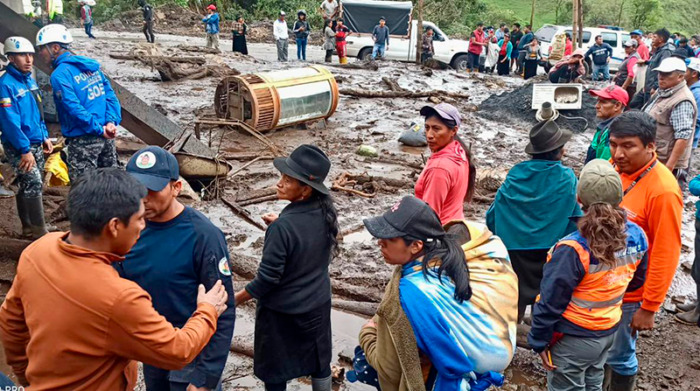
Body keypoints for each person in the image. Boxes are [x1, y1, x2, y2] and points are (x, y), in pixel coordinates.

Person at [0, 168, 229, 389]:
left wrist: (27, 376)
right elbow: (178, 351)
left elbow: (10, 323)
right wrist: (207, 310)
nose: (143, 225)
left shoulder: (39, 250)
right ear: (114, 226)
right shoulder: (119, 297)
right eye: (139, 219)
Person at [358, 195, 518, 391]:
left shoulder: (409, 295)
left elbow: (389, 369)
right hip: (482, 375)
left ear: (416, 245)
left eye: (389, 238)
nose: (379, 243)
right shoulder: (472, 255)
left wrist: (367, 333)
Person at [118, 147, 235, 391]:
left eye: (152, 190)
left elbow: (223, 309)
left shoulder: (204, 235)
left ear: (176, 188)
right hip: (153, 347)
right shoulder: (127, 229)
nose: (143, 198)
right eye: (136, 190)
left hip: (193, 352)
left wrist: (204, 378)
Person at [528, 159, 648, 391]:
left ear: (579, 199)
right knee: (593, 381)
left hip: (575, 336)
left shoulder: (573, 248)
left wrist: (539, 341)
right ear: (619, 197)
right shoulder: (638, 235)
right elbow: (637, 282)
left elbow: (550, 301)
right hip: (609, 330)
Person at [234, 145, 338, 391]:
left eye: (287, 180)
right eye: (281, 177)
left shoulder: (282, 228)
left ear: (305, 190)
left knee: (276, 371)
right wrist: (281, 224)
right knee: (319, 360)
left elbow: (268, 279)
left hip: (282, 315)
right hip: (317, 307)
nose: (279, 183)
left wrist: (235, 298)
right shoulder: (325, 215)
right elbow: (306, 241)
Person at [604, 111, 683, 391]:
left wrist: (649, 307)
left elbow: (667, 251)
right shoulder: (617, 171)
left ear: (650, 146)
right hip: (606, 284)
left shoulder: (662, 191)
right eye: (614, 145)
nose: (618, 153)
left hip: (631, 294)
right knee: (603, 346)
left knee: (621, 354)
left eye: (628, 146)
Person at [486, 119, 581, 321]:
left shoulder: (516, 174)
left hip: (515, 251)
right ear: (560, 151)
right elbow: (575, 217)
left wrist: (504, 236)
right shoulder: (567, 177)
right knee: (546, 294)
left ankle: (513, 328)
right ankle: (540, 331)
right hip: (550, 251)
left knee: (515, 293)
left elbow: (493, 214)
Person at [35, 24, 121, 183]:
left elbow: (73, 107)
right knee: (110, 184)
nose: (39, 53)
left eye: (41, 48)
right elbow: (110, 96)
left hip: (84, 139)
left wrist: (97, 128)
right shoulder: (90, 66)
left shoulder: (59, 75)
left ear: (54, 48)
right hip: (106, 137)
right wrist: (110, 122)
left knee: (84, 189)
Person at [0, 37, 53, 238]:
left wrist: (45, 136)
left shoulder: (29, 79)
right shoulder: (5, 85)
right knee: (33, 182)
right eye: (23, 55)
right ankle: (40, 231)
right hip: (19, 145)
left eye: (30, 55)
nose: (29, 59)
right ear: (12, 58)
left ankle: (29, 227)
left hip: (36, 141)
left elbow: (37, 111)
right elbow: (9, 122)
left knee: (29, 183)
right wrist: (24, 150)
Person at [414, 103, 475, 224]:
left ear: (453, 131)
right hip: (456, 227)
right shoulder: (459, 151)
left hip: (440, 233)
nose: (429, 135)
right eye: (427, 128)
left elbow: (429, 218)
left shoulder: (439, 168)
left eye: (436, 129)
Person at [642, 57, 697, 188]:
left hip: (664, 161)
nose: (661, 77)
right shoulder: (663, 92)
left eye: (667, 74)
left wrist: (669, 167)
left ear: (680, 76)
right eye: (660, 73)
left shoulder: (682, 100)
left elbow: (683, 137)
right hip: (654, 156)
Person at [630, 28, 674, 109]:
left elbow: (663, 70)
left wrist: (655, 87)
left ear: (661, 39)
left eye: (654, 37)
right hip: (647, 86)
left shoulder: (666, 52)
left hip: (653, 88)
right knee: (634, 104)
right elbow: (655, 63)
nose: (652, 39)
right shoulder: (658, 50)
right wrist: (645, 62)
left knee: (647, 109)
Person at [586, 85, 629, 163]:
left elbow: (604, 166)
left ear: (617, 106)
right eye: (598, 101)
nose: (597, 106)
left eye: (603, 102)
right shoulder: (607, 126)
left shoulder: (614, 132)